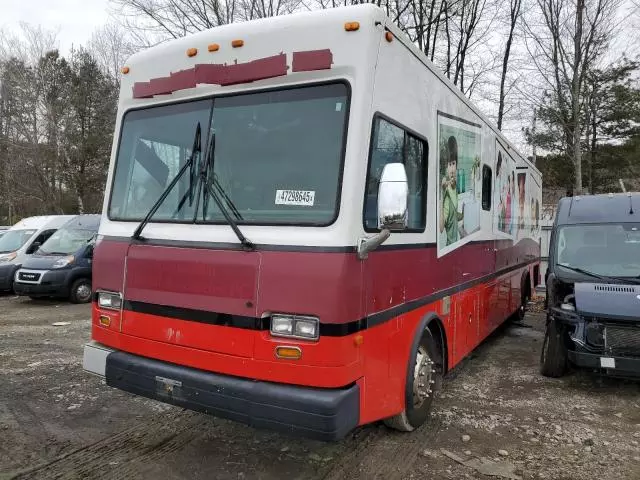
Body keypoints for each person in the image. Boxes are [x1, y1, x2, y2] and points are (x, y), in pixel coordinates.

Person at [439, 135, 464, 246]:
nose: (452, 169)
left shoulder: (454, 189)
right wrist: (441, 194)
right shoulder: (447, 195)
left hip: (456, 246)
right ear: (445, 167)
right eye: (449, 165)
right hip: (450, 246)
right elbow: (441, 227)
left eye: (453, 164)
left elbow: (454, 217)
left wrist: (463, 214)